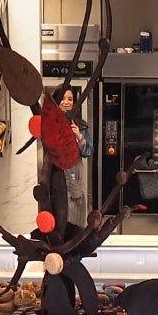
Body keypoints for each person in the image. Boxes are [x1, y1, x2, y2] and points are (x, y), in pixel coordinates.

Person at [57, 85, 92, 224]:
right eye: (62, 99)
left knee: (76, 215)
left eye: (70, 99)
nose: (66, 102)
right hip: (56, 175)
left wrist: (79, 137)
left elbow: (88, 151)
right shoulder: (49, 124)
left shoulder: (81, 126)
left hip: (74, 175)